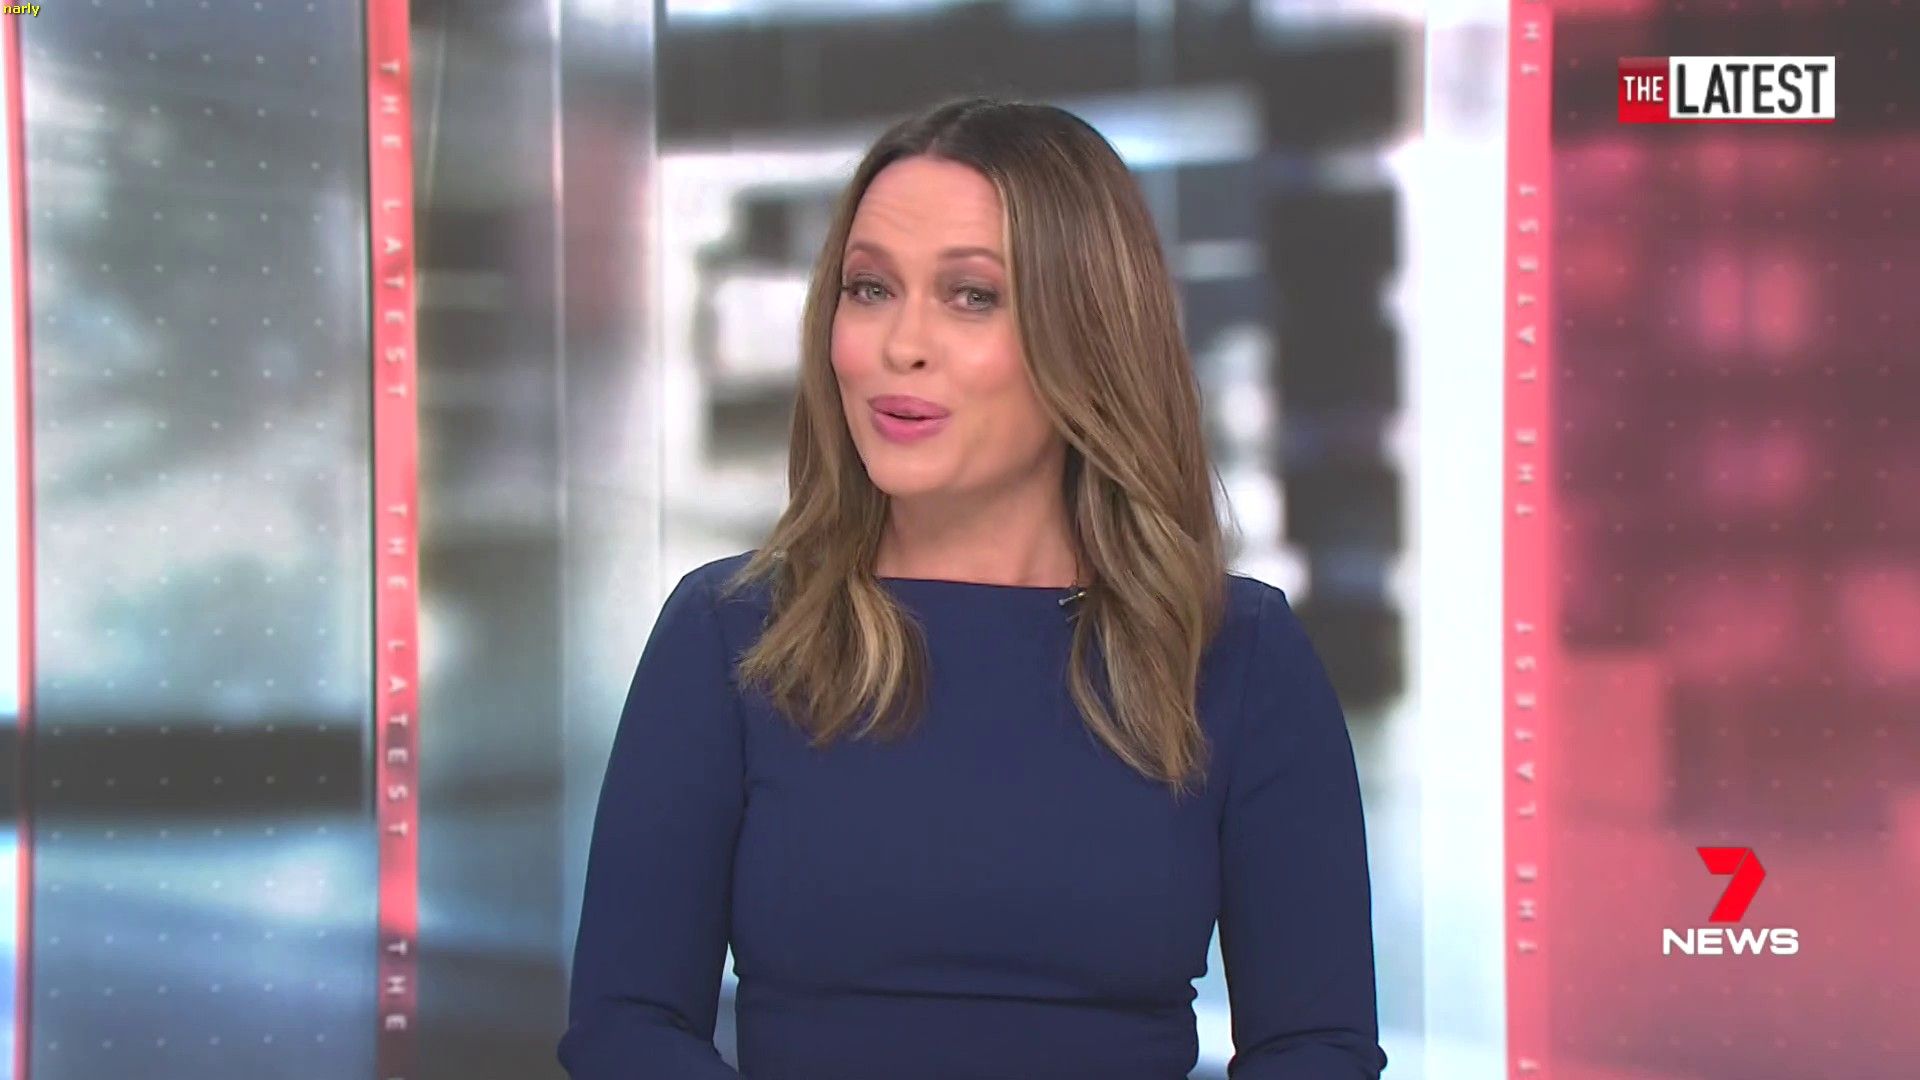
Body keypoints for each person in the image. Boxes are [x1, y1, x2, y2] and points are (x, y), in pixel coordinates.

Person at [557, 96, 1388, 1080]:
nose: (900, 345)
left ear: (1089, 335)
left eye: (971, 296)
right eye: (870, 288)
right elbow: (627, 1025)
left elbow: (1316, 1045)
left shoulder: (1234, 652)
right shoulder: (730, 636)